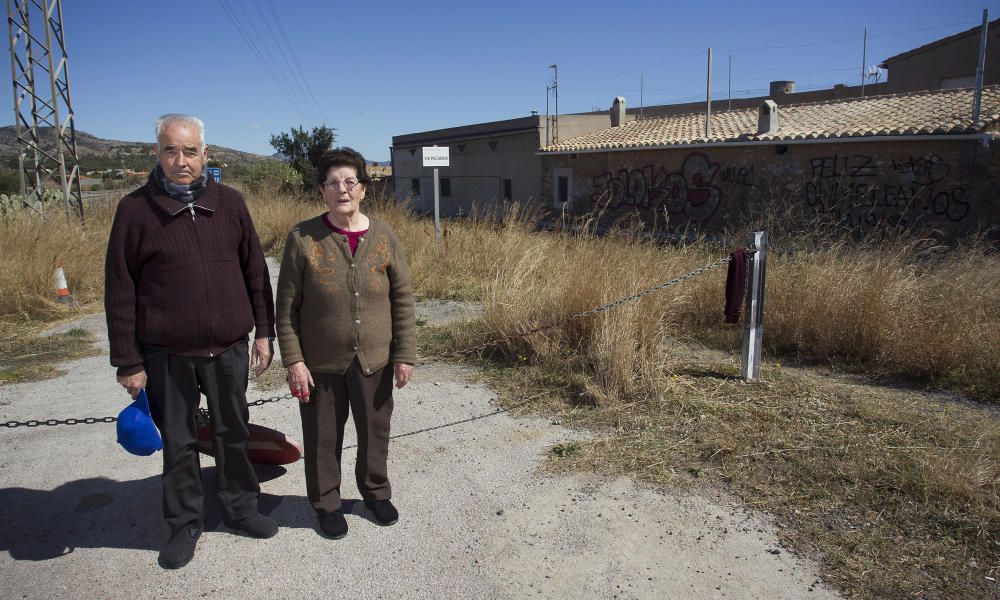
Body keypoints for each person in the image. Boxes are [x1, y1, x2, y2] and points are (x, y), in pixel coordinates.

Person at [105, 114, 279, 569]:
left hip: (227, 348)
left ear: (205, 154)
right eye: (170, 150)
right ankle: (184, 523)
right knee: (179, 443)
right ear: (157, 154)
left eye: (189, 151)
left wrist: (265, 331)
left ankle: (241, 510)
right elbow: (120, 288)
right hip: (166, 354)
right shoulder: (134, 210)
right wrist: (128, 360)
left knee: (233, 433)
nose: (180, 161)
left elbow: (255, 273)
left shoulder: (231, 203)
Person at [276, 147, 416, 539]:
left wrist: (404, 354)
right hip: (320, 362)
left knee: (375, 431)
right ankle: (326, 503)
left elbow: (402, 298)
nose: (342, 189)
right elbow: (286, 307)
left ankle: (375, 493)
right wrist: (294, 360)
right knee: (322, 437)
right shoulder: (302, 238)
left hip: (375, 358)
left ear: (363, 190)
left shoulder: (384, 235)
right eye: (333, 183)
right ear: (322, 191)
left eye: (349, 182)